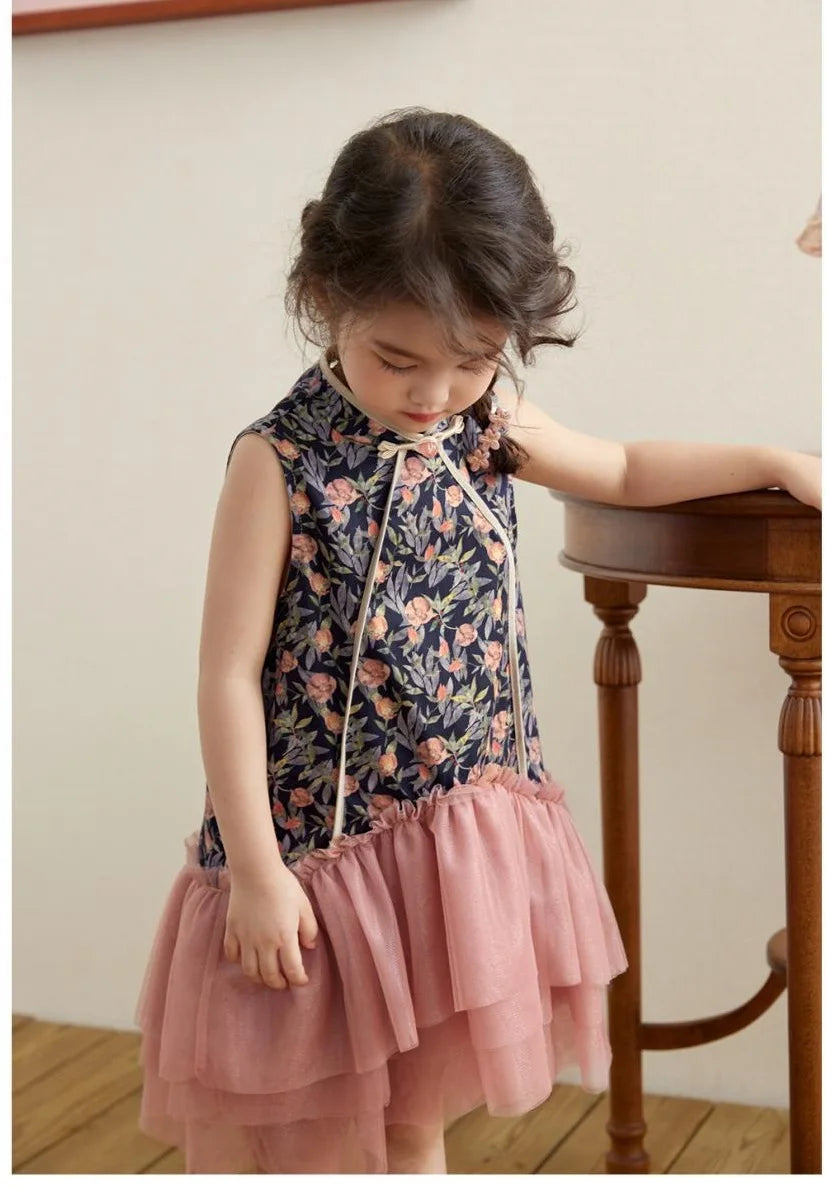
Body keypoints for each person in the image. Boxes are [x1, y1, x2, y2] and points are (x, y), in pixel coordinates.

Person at [134, 108, 821, 1176]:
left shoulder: (486, 425)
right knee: (303, 1128)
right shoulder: (278, 463)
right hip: (323, 857)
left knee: (415, 1115)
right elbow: (225, 675)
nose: (432, 394)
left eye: (469, 361)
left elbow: (629, 469)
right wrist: (261, 873)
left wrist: (773, 457)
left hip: (455, 845)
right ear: (326, 300)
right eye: (398, 358)